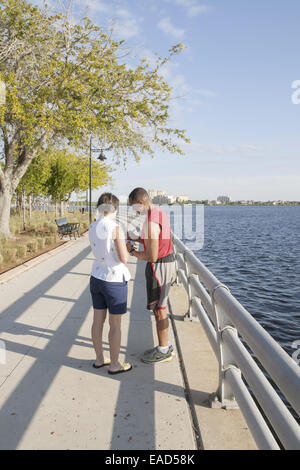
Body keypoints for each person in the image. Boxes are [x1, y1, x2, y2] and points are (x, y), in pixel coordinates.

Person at [127, 187, 176, 364]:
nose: (134, 212)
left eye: (134, 208)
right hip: (166, 263)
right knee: (159, 308)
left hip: (160, 267)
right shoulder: (158, 212)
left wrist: (131, 251)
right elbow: (155, 239)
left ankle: (164, 350)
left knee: (160, 309)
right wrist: (138, 239)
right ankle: (164, 346)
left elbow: (152, 256)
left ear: (140, 203)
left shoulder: (151, 222)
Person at [89, 192, 132, 375]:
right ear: (115, 208)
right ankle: (115, 364)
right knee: (115, 325)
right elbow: (124, 258)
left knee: (97, 321)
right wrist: (128, 250)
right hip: (113, 280)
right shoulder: (115, 228)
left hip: (96, 277)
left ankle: (100, 359)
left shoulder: (92, 225)